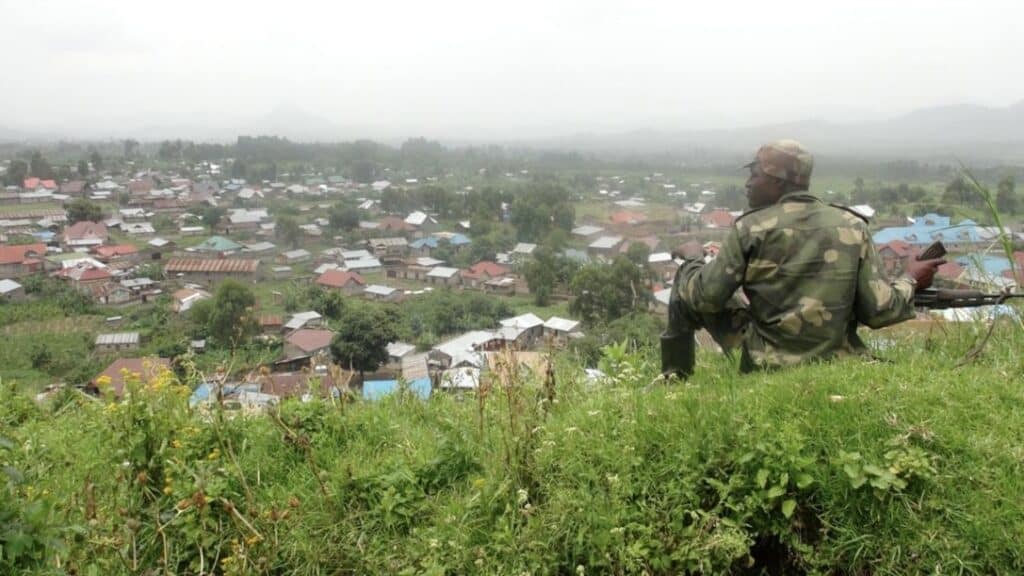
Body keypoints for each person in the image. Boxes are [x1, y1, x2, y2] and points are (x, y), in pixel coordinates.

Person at [661, 139, 945, 376]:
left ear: (777, 181)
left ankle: (674, 377)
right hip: (839, 360)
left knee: (688, 281)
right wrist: (910, 279)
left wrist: (693, 259)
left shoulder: (751, 228)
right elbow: (879, 310)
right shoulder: (852, 225)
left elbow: (705, 298)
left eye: (755, 175)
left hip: (766, 362)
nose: (748, 184)